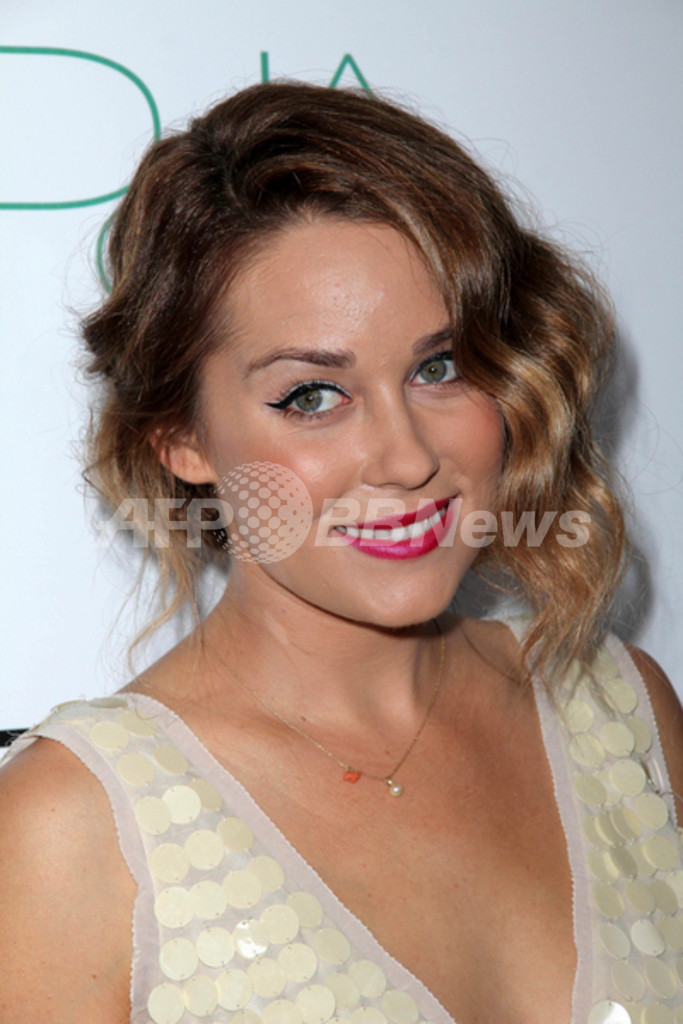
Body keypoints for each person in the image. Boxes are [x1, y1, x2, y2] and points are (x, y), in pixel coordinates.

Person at [0, 82, 681, 1024]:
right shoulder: (70, 827)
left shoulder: (619, 709)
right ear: (181, 439)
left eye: (440, 367)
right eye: (311, 397)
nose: (405, 458)